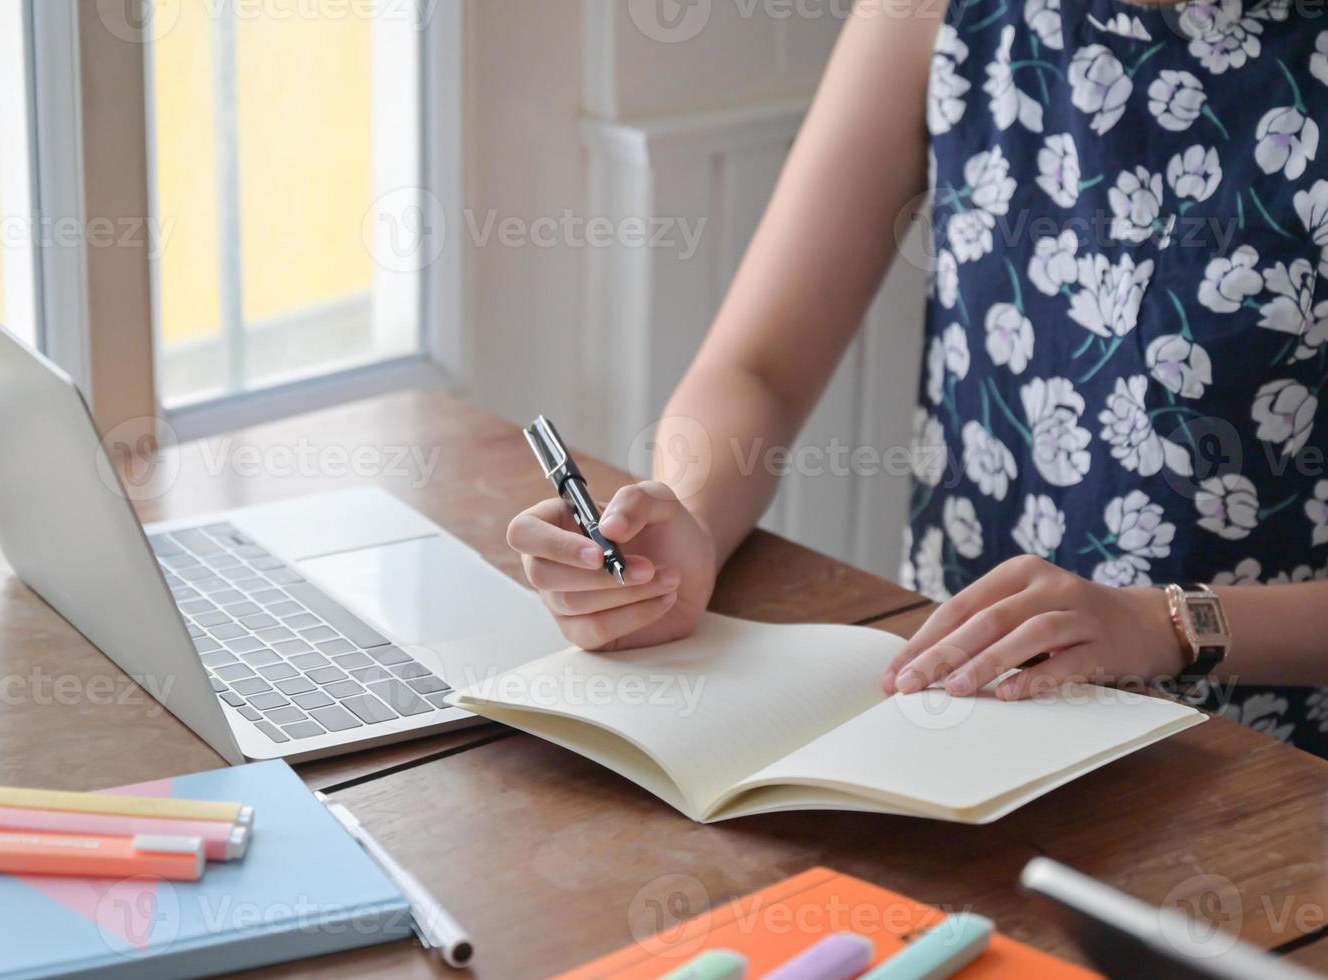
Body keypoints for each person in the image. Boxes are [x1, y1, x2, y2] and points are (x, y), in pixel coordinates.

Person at [506, 0, 1328, 755]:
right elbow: (758, 364)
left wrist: (1163, 625)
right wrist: (687, 522)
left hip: (1262, 764)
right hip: (958, 711)